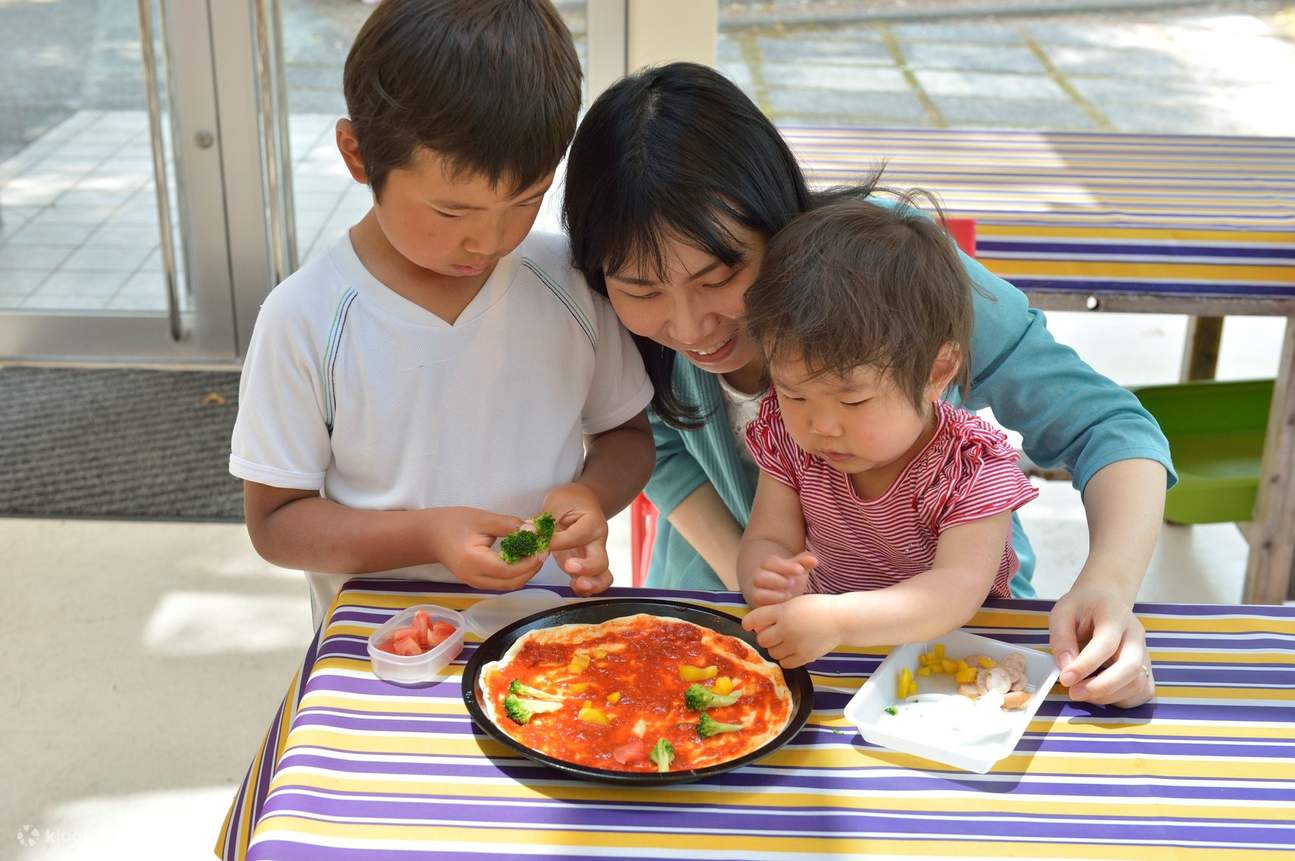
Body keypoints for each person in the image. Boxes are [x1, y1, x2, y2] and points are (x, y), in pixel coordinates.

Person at [562, 62, 1172, 708]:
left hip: (953, 635)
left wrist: (1106, 586)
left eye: (718, 277)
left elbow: (1106, 427)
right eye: (642, 291)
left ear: (778, 219)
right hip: (737, 610)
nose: (689, 327)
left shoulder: (884, 272)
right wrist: (760, 579)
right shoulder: (599, 301)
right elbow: (654, 442)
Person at [229, 0, 654, 627]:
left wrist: (590, 495)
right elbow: (275, 523)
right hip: (380, 644)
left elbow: (627, 437)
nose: (490, 240)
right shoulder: (305, 317)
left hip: (544, 630)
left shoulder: (568, 282)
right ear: (357, 155)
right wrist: (427, 534)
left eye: (527, 201)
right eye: (452, 212)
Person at [736, 194, 1039, 666]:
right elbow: (768, 537)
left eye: (853, 400)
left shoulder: (969, 469)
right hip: (830, 650)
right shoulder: (791, 441)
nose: (822, 426)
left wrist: (839, 620)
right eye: (795, 394)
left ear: (938, 372)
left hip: (954, 661)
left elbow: (952, 593)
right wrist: (767, 577)